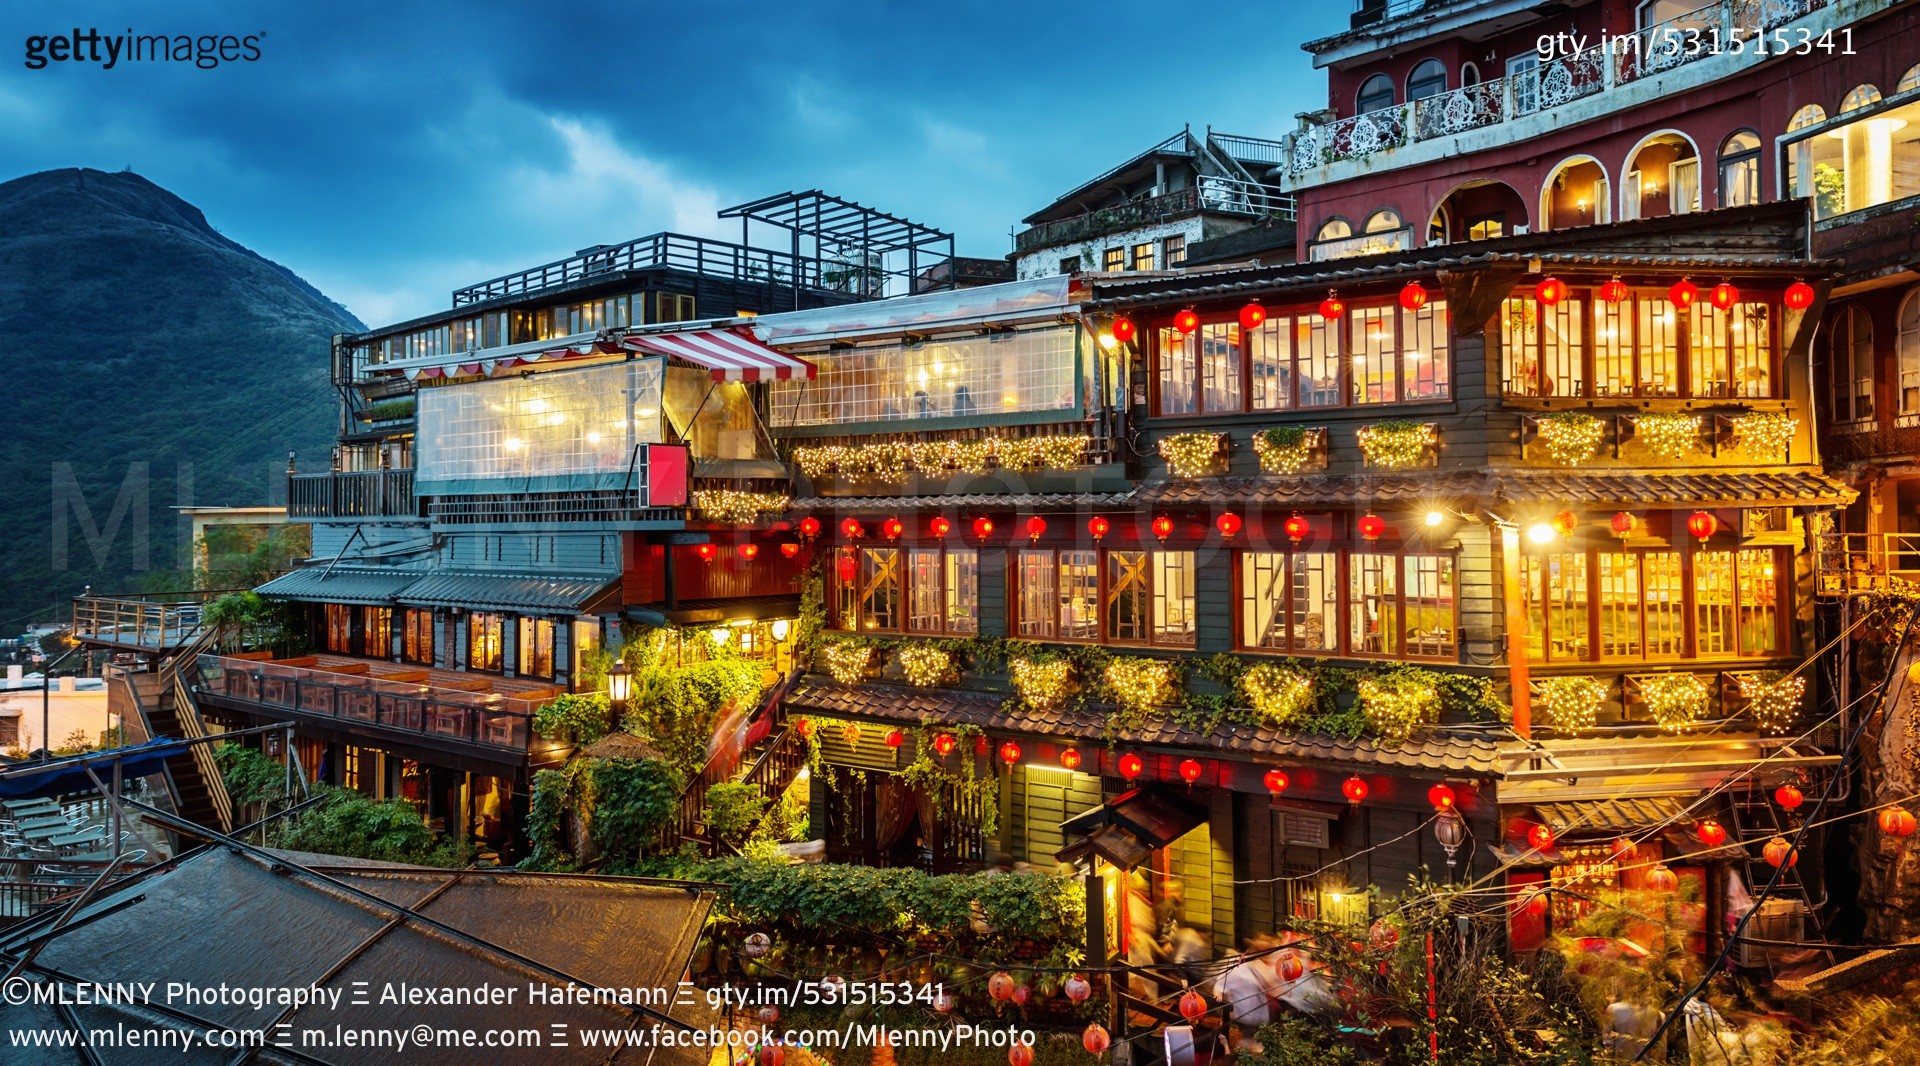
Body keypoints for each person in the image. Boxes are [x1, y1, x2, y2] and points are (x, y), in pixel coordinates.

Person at [1213, 934, 1281, 1048]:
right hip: (1246, 1017)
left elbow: (1272, 984)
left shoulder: (1260, 965)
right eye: (1264, 951)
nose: (1268, 955)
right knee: (1248, 1045)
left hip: (1262, 1016)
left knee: (1259, 1044)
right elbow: (1220, 984)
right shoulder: (1237, 967)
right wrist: (1218, 994)